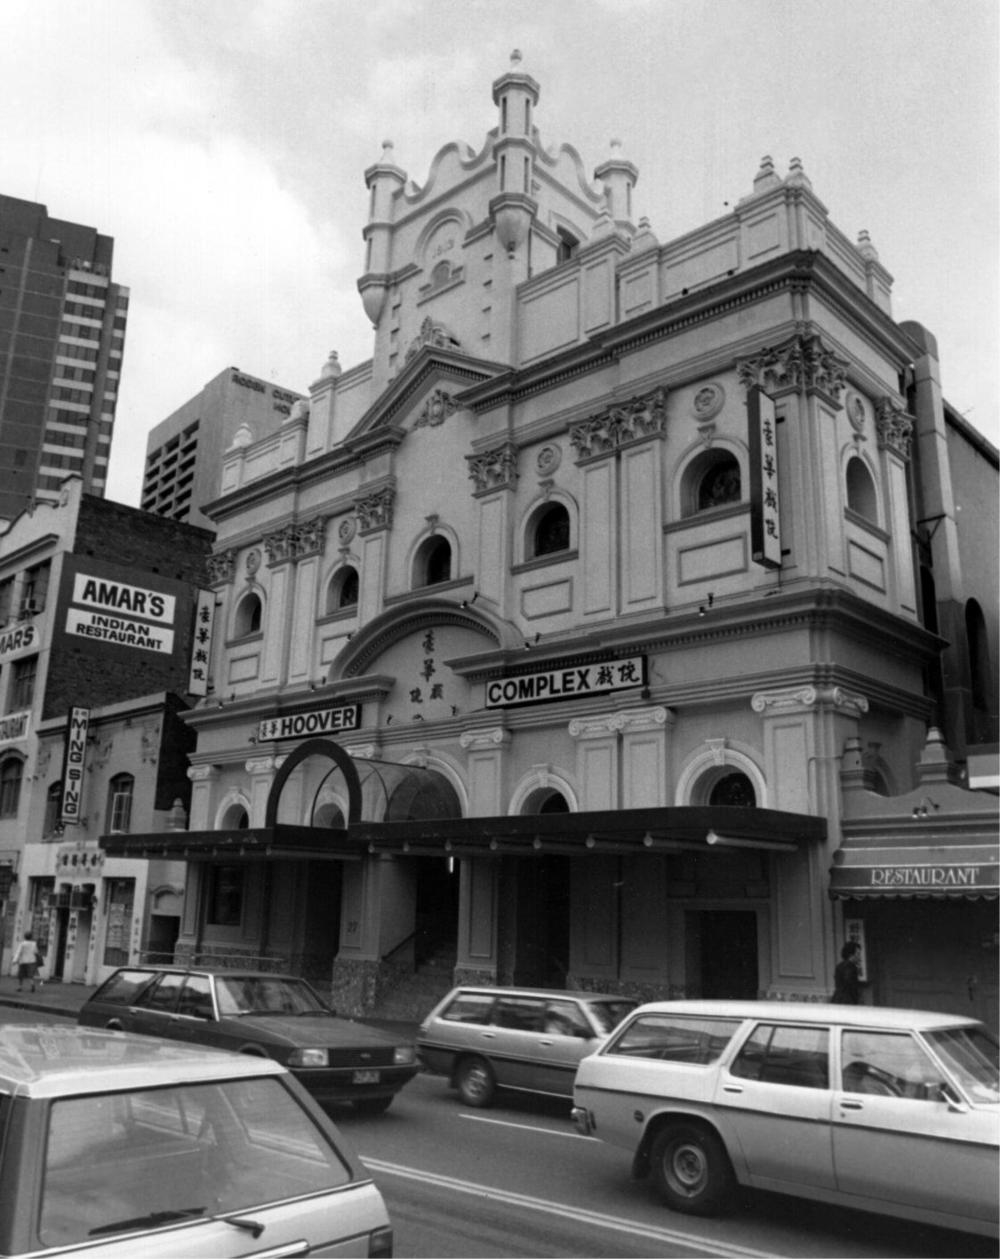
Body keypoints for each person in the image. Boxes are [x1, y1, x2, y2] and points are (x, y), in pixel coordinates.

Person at [832, 940, 862, 1004]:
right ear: (851, 954)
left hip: (837, 999)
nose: (859, 957)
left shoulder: (839, 966)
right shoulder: (851, 967)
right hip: (847, 1001)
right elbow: (850, 984)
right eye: (858, 954)